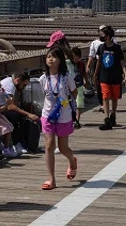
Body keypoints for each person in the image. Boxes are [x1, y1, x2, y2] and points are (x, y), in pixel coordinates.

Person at [39, 47, 78, 189]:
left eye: (54, 57)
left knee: (62, 147)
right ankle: (51, 179)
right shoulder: (43, 78)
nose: (50, 59)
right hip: (48, 115)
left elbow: (74, 92)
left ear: (60, 60)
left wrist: (67, 104)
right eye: (48, 56)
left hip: (64, 115)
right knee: (49, 145)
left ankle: (72, 160)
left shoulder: (66, 77)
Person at [95, 26, 126, 131]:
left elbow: (122, 62)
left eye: (102, 35)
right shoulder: (101, 48)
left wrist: (125, 75)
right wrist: (95, 74)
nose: (101, 37)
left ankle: (113, 114)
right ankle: (106, 119)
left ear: (108, 36)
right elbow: (99, 62)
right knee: (105, 96)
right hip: (104, 77)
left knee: (114, 97)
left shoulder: (117, 48)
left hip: (115, 76)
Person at [0, 72, 39, 153]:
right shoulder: (10, 85)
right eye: (23, 85)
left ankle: (21, 143)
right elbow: (10, 106)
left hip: (1, 109)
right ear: (17, 80)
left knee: (19, 115)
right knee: (16, 116)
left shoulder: (10, 82)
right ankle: (17, 143)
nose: (24, 87)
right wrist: (28, 114)